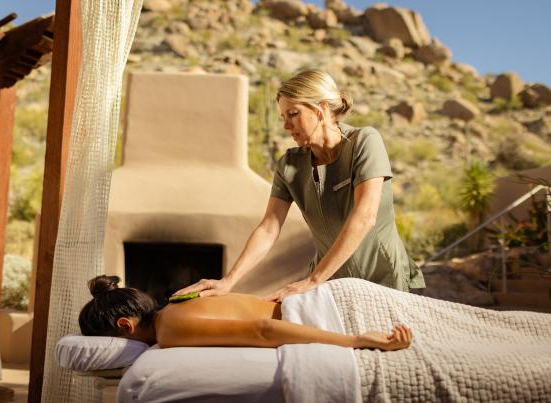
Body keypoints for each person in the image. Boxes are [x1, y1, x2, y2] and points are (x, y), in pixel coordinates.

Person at [174, 69, 424, 302]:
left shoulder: (364, 142)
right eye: (283, 117)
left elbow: (365, 216)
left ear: (321, 109)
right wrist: (228, 281)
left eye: (293, 114)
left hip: (384, 279)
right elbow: (269, 228)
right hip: (332, 284)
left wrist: (313, 280)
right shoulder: (290, 165)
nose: (286, 126)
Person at [79, 275, 412, 351]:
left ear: (125, 326)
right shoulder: (176, 304)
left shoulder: (169, 330)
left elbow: (262, 330)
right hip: (336, 295)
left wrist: (355, 341)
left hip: (330, 311)